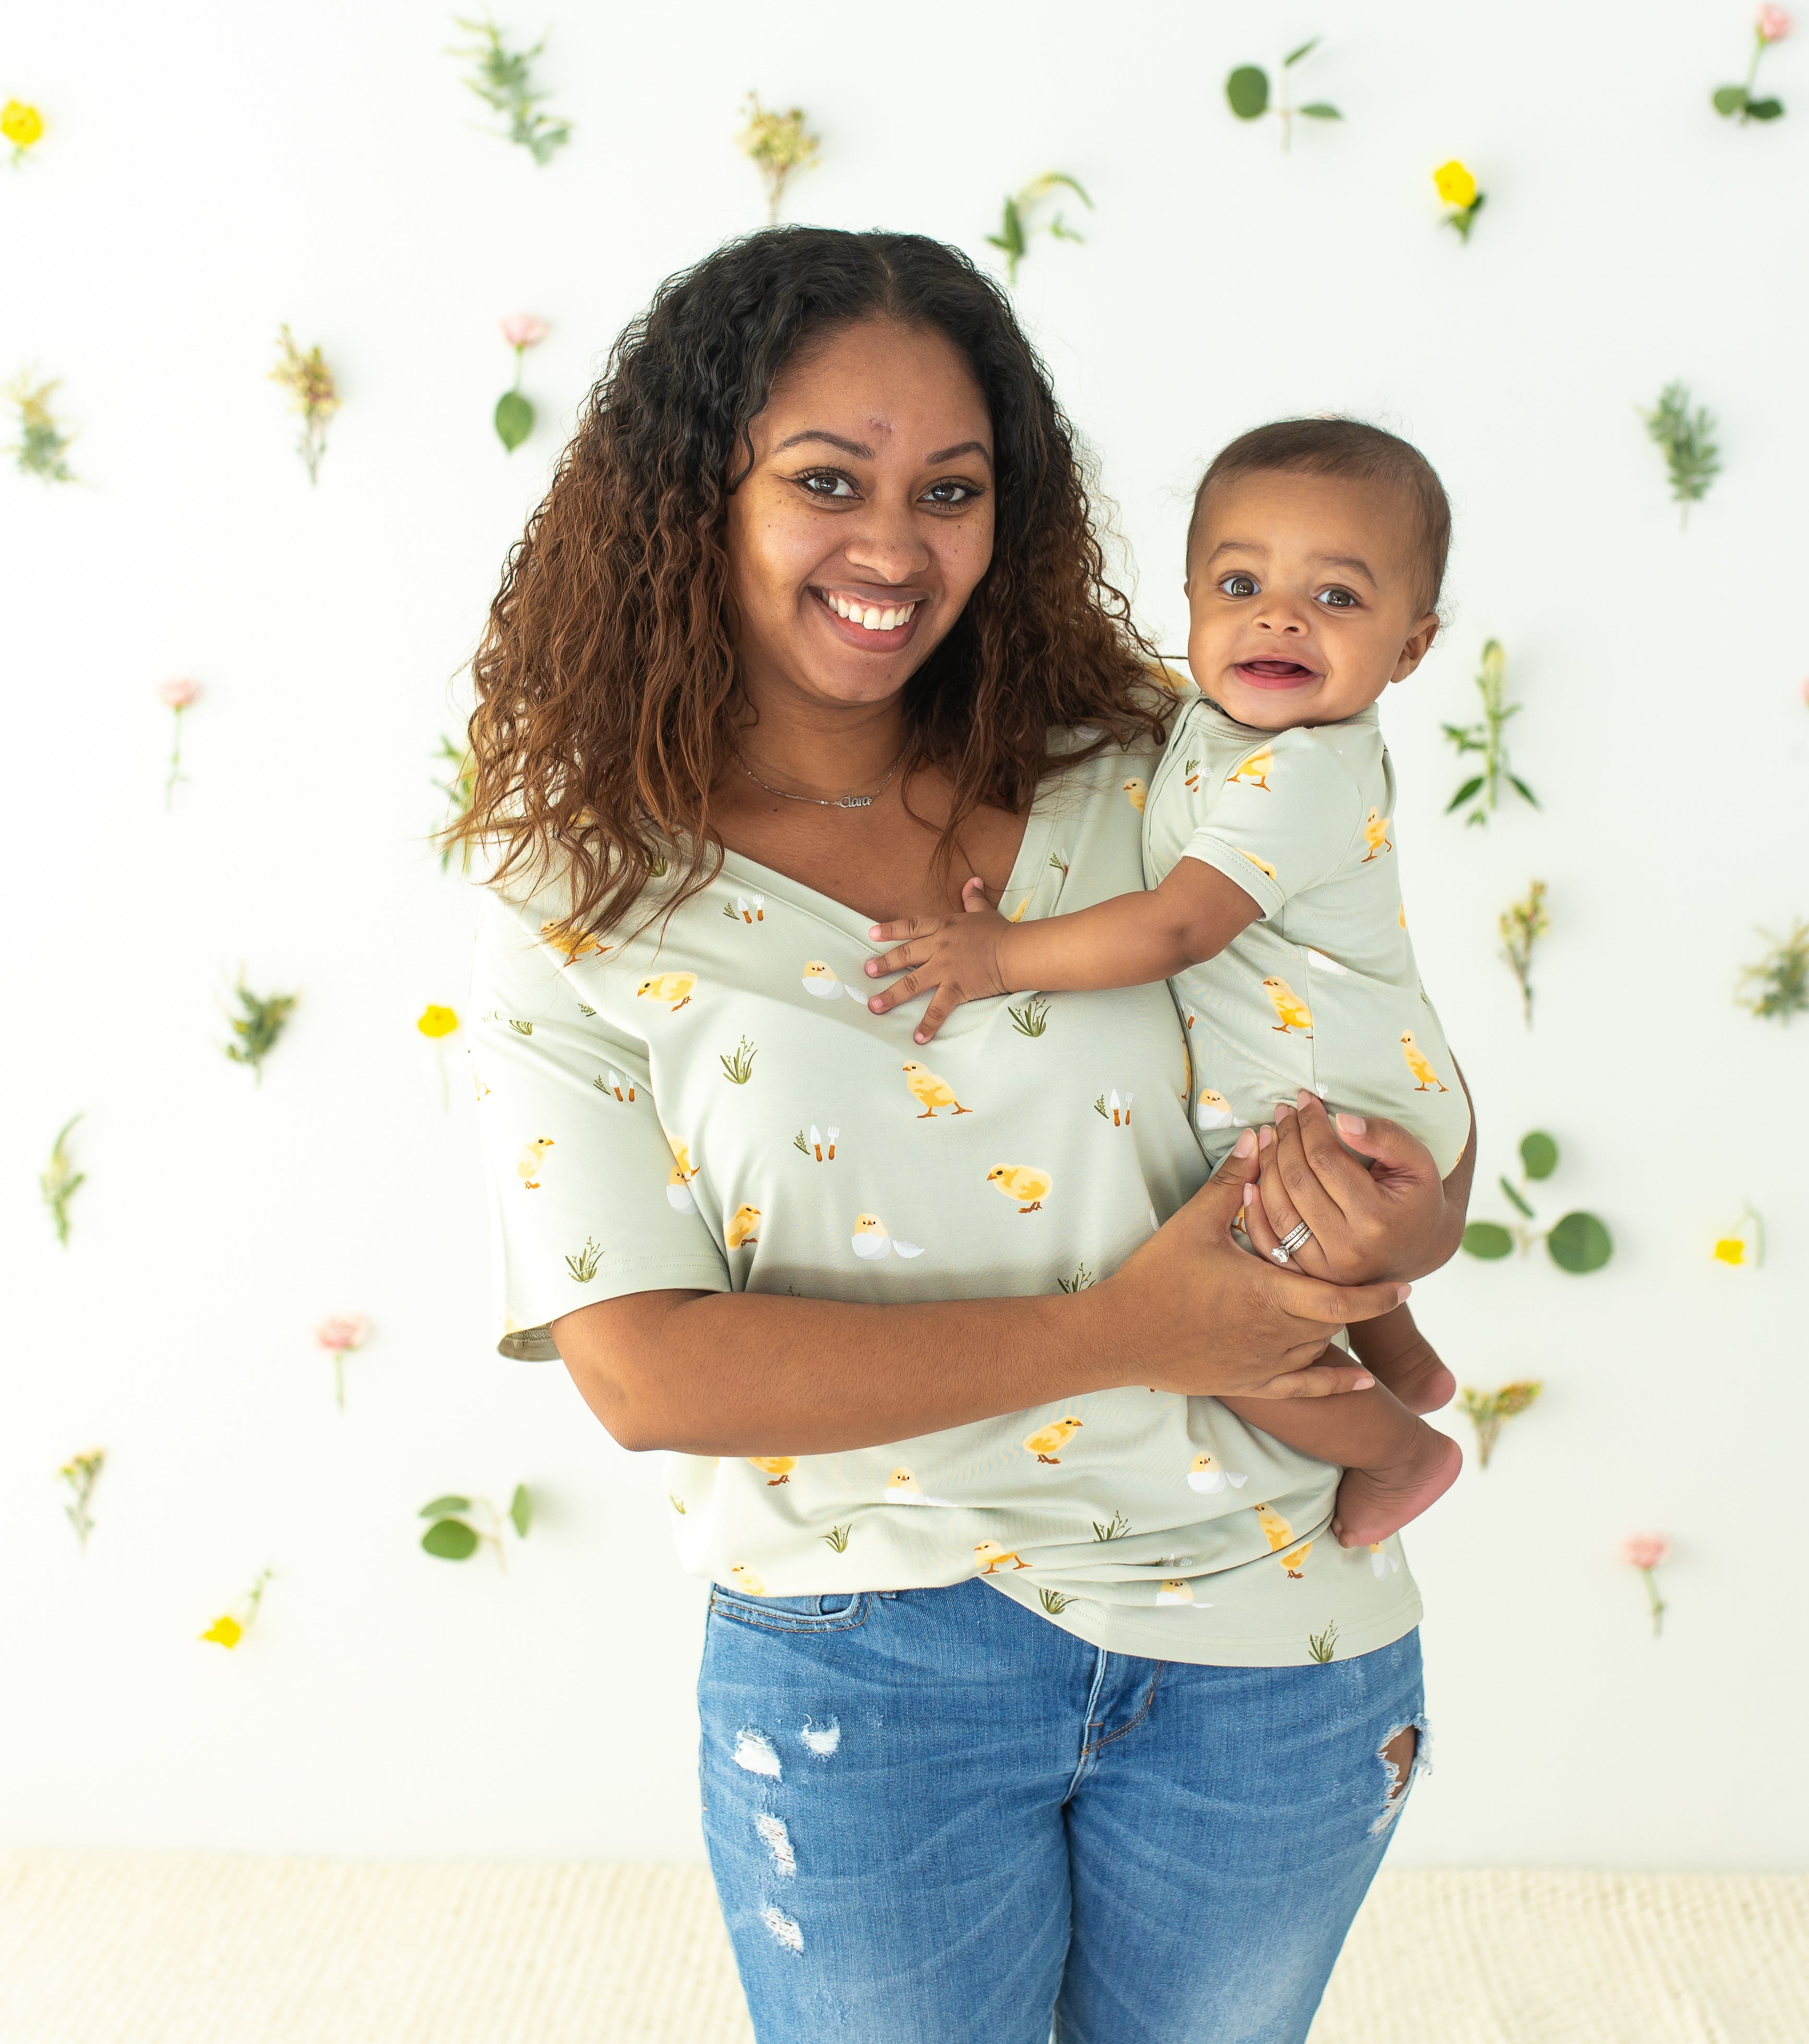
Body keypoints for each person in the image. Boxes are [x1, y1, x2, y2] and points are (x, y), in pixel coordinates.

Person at [452, 225, 1475, 2044]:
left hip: (1272, 1636)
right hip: (868, 1672)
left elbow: (1380, 1071)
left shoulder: (1162, 764)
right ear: (694, 499)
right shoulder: (575, 897)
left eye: (951, 488)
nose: (895, 547)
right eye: (826, 481)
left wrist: (1404, 1221)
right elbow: (646, 1374)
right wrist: (1127, 1334)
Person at [860, 417, 1469, 1551]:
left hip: (1334, 1120)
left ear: (1411, 647)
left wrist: (997, 957)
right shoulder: (1207, 724)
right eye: (1240, 583)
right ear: (1186, 597)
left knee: (1226, 1329)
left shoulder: (1301, 774)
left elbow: (1178, 923)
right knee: (1285, 1282)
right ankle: (1404, 1356)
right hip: (1353, 1081)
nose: (1278, 616)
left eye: (1336, 599)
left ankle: (1400, 1451)